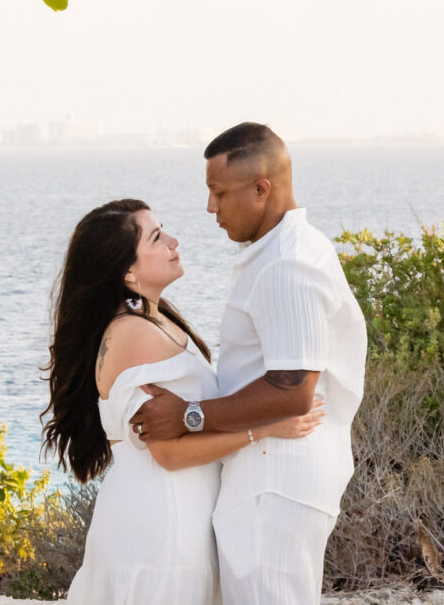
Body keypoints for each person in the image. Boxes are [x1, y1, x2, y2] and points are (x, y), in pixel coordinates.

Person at [42, 198, 326, 605]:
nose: (174, 241)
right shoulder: (134, 335)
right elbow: (168, 454)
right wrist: (263, 428)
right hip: (161, 529)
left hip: (171, 517)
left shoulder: (154, 321)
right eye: (157, 237)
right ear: (127, 270)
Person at [130, 123, 368, 605]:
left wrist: (189, 415)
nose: (210, 208)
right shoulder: (280, 255)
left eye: (218, 192)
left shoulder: (288, 266)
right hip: (269, 475)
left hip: (277, 480)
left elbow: (292, 389)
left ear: (262, 189)